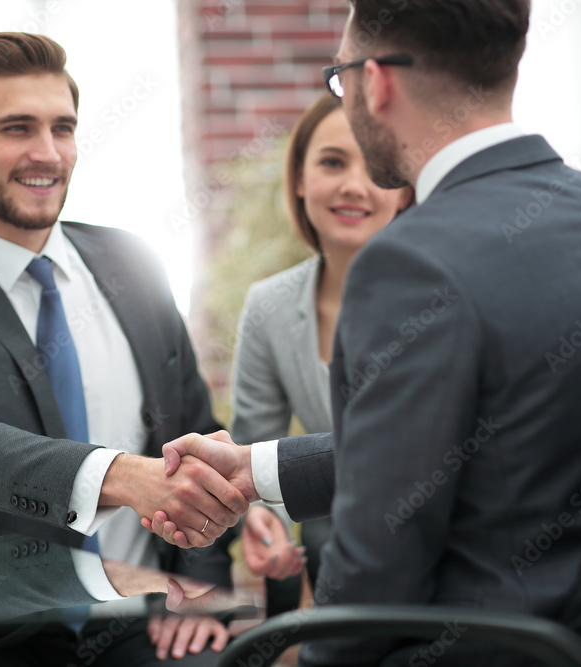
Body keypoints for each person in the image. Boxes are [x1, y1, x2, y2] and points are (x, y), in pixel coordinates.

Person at [147, 1, 581, 664]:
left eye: (340, 79)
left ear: (376, 81)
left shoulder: (410, 262)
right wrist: (257, 469)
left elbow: (370, 581)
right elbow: (495, 441)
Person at [0, 32, 247, 665]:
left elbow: (197, 434)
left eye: (63, 128)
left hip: (148, 623)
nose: (47, 153)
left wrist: (203, 585)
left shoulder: (132, 263)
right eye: (17, 128)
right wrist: (125, 478)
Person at [230, 94, 412, 602]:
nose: (354, 185)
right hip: (333, 544)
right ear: (300, 180)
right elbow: (254, 455)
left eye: (377, 167)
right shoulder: (269, 307)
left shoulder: (446, 296)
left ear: (404, 192)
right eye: (333, 162)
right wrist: (264, 525)